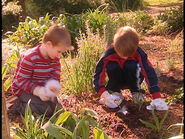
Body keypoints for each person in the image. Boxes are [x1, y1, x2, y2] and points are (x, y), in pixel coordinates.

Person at [93, 26, 168, 111]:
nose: (125, 58)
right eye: (122, 55)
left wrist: (156, 96)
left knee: (131, 64)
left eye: (129, 55)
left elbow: (148, 71)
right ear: (115, 47)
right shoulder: (108, 54)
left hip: (133, 78)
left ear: (136, 48)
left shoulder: (139, 53)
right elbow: (98, 73)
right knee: (112, 66)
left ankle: (136, 91)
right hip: (117, 79)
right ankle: (114, 91)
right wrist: (104, 93)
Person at [9, 24, 74, 117]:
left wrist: (52, 87)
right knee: (45, 110)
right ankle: (18, 106)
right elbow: (21, 81)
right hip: (24, 90)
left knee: (57, 109)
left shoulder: (55, 59)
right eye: (58, 51)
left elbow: (55, 76)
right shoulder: (30, 57)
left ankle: (38, 104)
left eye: (62, 53)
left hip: (42, 89)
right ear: (48, 44)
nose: (59, 55)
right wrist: (37, 91)